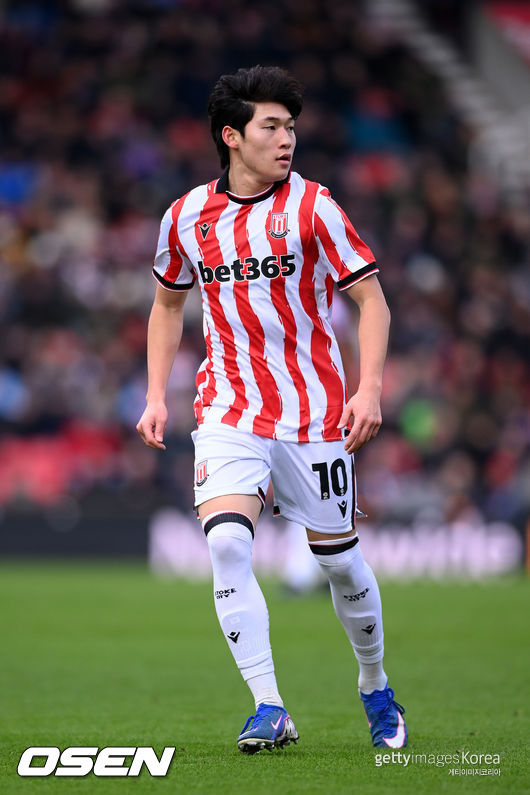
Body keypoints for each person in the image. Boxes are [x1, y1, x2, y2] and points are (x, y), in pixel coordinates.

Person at [137, 65, 407, 753]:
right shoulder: (186, 216)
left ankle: (375, 684)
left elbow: (371, 299)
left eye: (291, 127)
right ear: (232, 136)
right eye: (272, 126)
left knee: (339, 562)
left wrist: (370, 387)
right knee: (228, 543)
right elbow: (167, 305)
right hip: (227, 407)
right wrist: (155, 394)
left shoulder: (315, 206)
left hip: (314, 413)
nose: (287, 139)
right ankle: (268, 705)